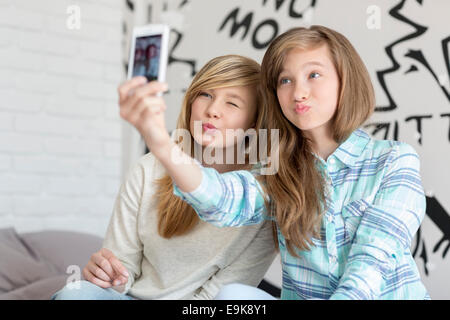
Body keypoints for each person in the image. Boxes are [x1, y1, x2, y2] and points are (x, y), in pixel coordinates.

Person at [131, 25, 429, 300]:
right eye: (285, 80)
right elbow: (221, 200)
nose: (298, 92)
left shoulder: (393, 160)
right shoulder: (278, 170)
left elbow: (371, 264)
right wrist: (159, 141)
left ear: (345, 81)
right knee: (236, 298)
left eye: (314, 74)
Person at [51, 55, 277, 300]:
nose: (212, 110)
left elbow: (217, 297)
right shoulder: (148, 170)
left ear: (253, 123)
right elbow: (123, 271)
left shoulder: (258, 197)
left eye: (232, 104)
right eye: (206, 95)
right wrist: (108, 277)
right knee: (76, 293)